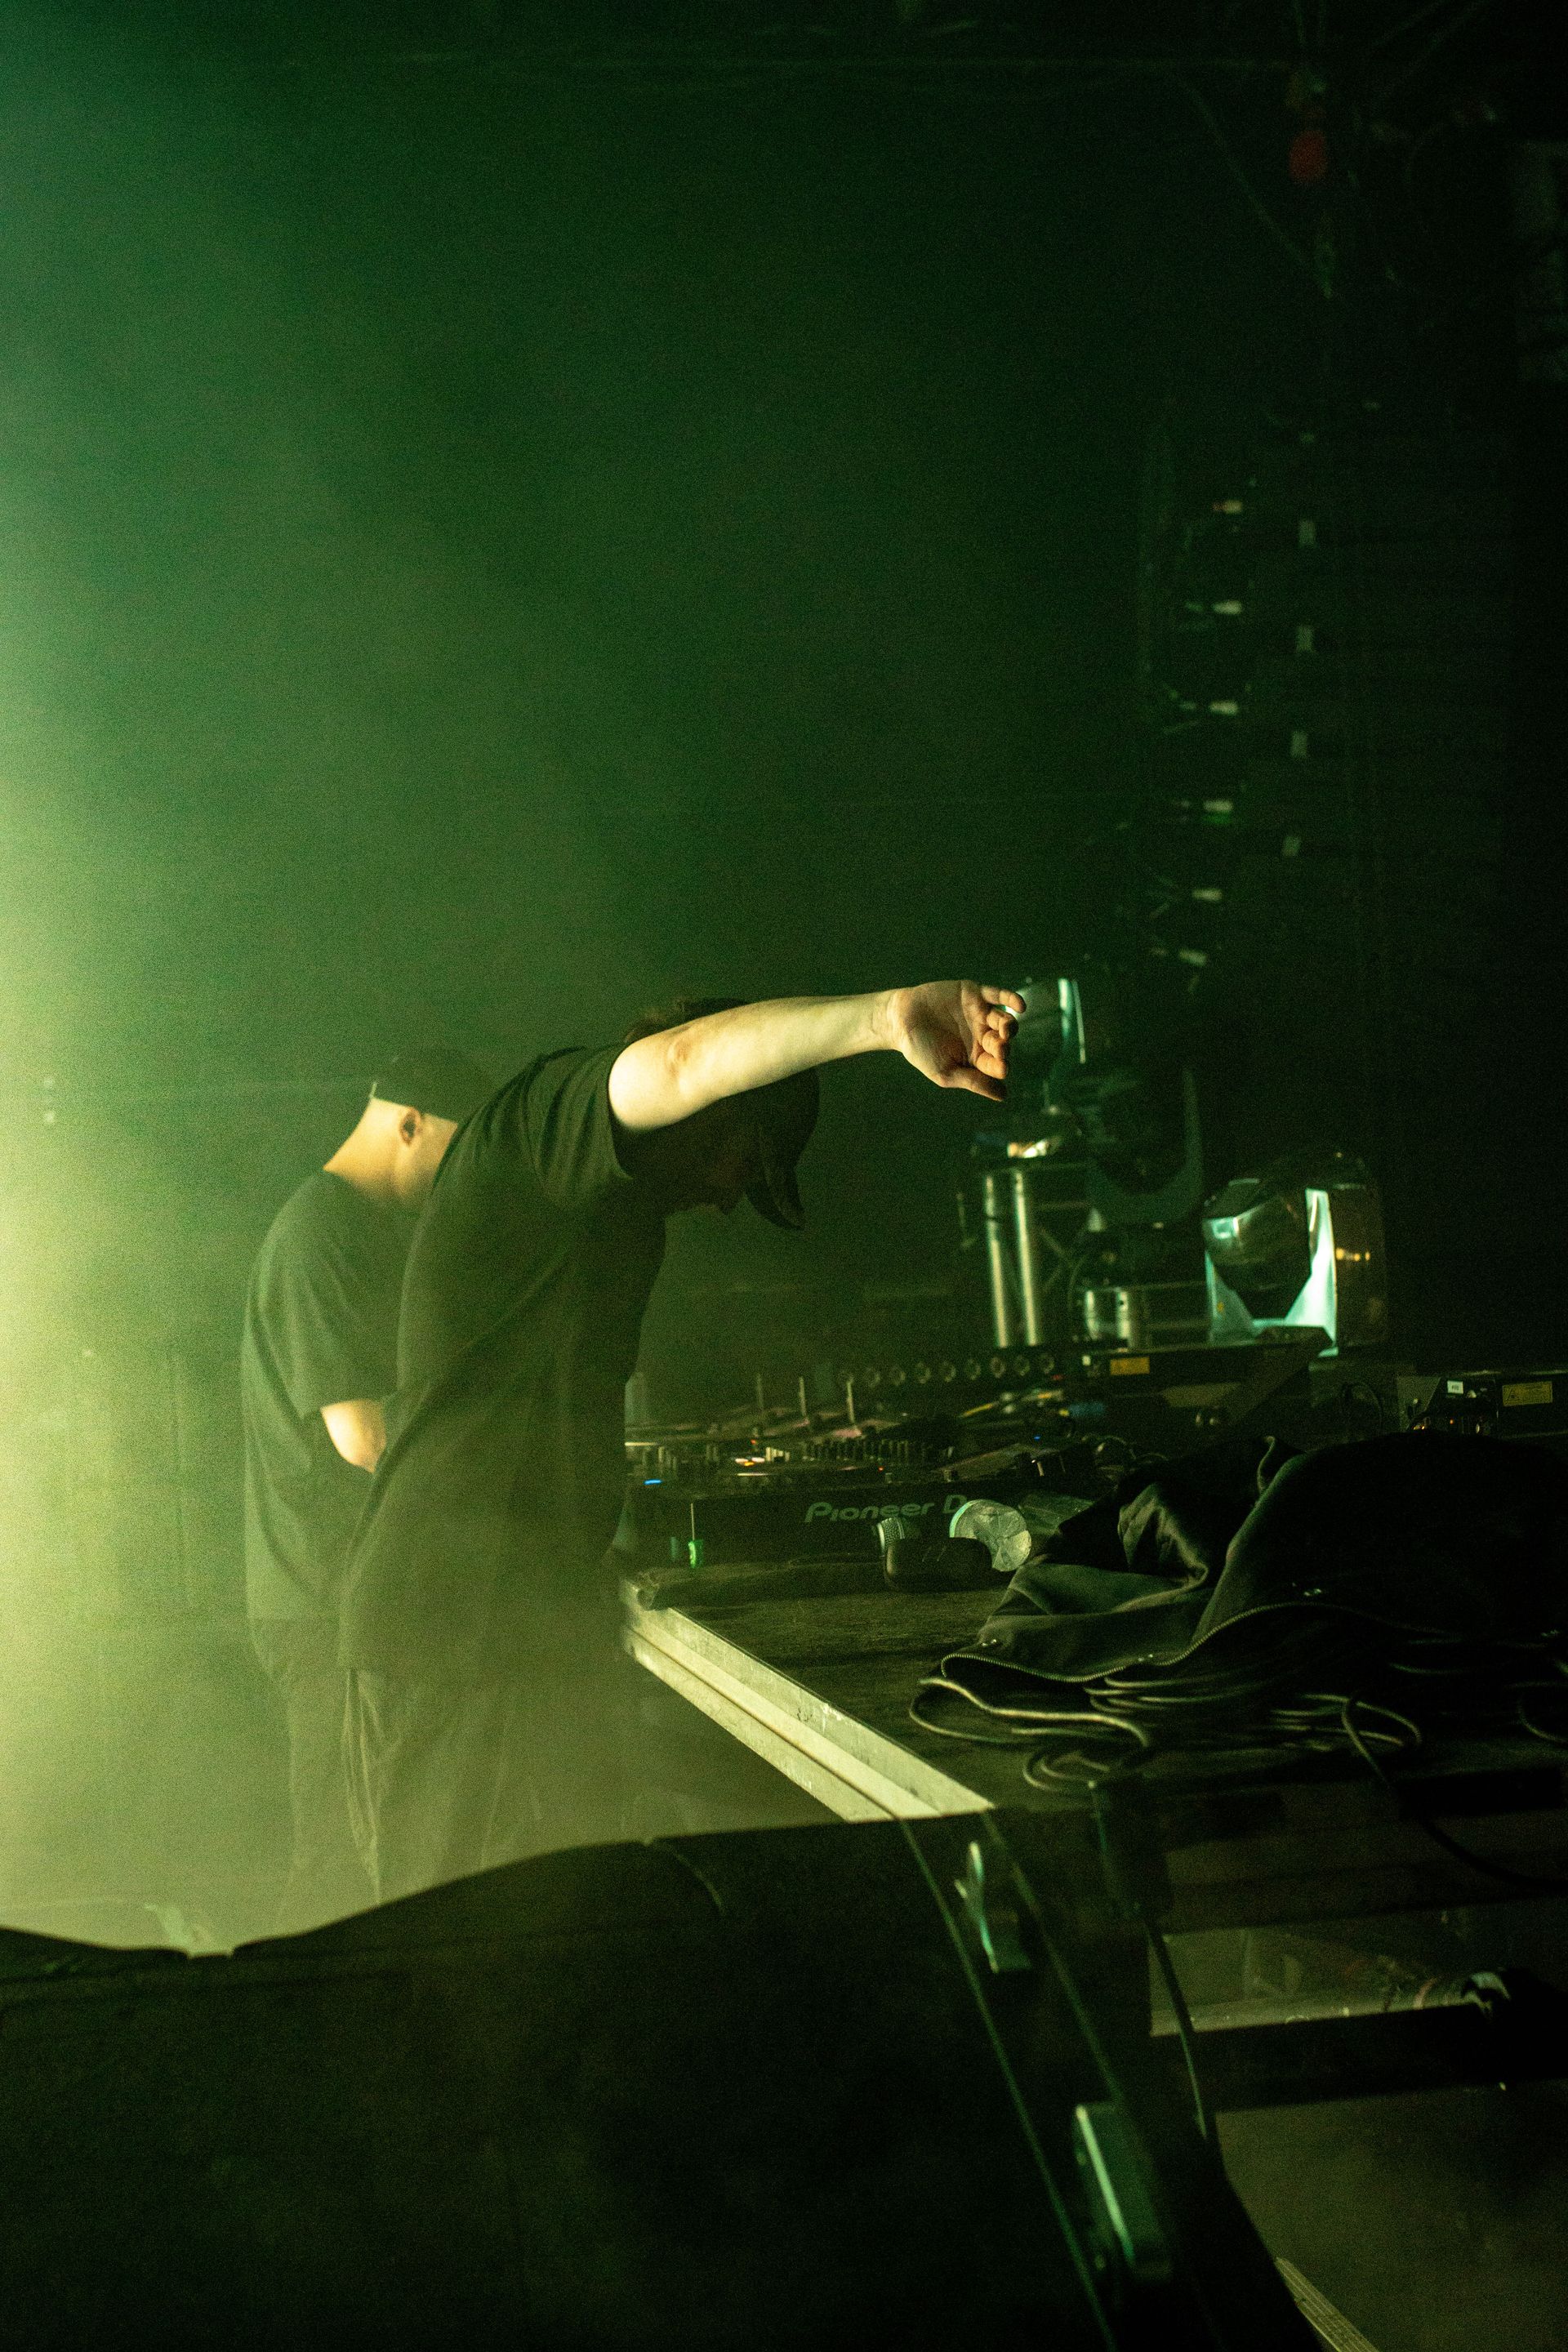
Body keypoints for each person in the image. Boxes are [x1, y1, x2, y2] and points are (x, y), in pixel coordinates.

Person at [337, 982, 1022, 1905]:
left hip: (521, 1629)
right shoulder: (542, 1123)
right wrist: (882, 1020)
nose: (733, 1195)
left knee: (555, 1959)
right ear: (713, 1107)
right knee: (450, 1953)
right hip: (448, 1631)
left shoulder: (623, 1218)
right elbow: (680, 1063)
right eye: (750, 1157)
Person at [241, 1047, 493, 1931]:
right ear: (409, 1123)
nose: (459, 1180)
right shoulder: (323, 1230)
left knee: (364, 1843)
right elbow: (365, 1438)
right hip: (322, 1599)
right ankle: (291, 2038)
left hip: (332, 1592)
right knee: (338, 1860)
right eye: (451, 1154)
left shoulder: (342, 1227)